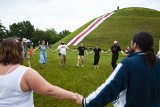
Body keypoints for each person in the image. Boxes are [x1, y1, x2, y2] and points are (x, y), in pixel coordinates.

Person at [75, 32, 160, 107]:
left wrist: (86, 102)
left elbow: (110, 87)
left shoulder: (128, 64)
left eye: (131, 44)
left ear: (135, 45)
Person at [0, 38, 79, 107]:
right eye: (23, 49)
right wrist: (74, 96)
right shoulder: (26, 73)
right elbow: (49, 91)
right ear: (20, 53)